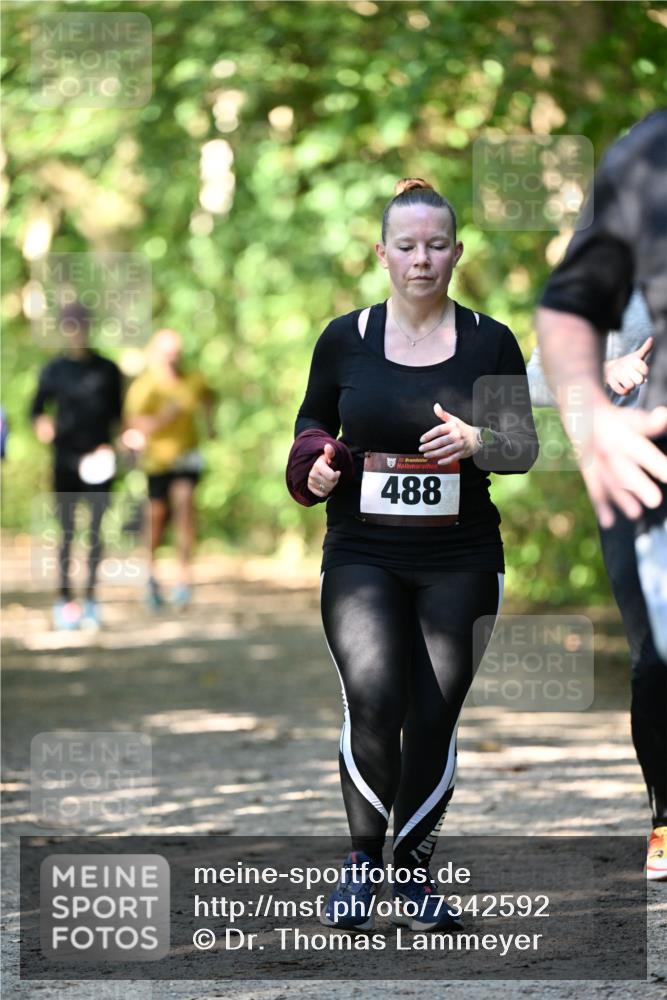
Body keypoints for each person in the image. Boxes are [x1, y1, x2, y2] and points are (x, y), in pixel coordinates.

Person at [286, 178, 539, 931]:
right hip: (360, 551)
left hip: (461, 555)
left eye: (435, 246)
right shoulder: (343, 338)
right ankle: (361, 867)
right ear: (381, 253)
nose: (421, 260)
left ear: (456, 253)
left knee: (433, 712)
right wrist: (316, 464)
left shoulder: (491, 340)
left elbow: (521, 446)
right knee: (373, 693)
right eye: (406, 246)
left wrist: (476, 442)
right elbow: (310, 421)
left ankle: (415, 875)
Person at [535, 109, 667, 882]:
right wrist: (597, 401)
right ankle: (664, 817)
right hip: (643, 476)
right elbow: (541, 361)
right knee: (655, 661)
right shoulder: (642, 171)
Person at [30, 301, 122, 631]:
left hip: (100, 458)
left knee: (96, 530)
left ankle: (92, 599)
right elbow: (36, 410)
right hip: (65, 459)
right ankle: (65, 600)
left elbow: (119, 417)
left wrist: (126, 440)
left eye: (81, 324)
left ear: (88, 327)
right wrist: (43, 426)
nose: (77, 331)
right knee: (67, 531)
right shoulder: (53, 370)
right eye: (71, 325)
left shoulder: (108, 370)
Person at [123, 328, 214, 611]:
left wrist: (211, 425)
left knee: (185, 506)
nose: (172, 359)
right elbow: (133, 424)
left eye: (176, 354)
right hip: (157, 460)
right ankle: (150, 576)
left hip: (187, 457)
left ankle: (183, 581)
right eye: (167, 354)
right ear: (156, 355)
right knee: (157, 518)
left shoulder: (193, 380)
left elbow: (209, 397)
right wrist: (164, 418)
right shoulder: (146, 386)